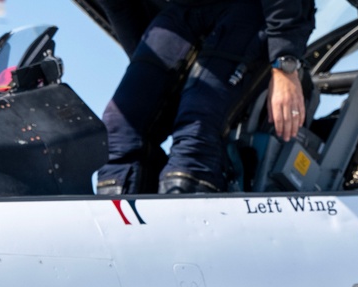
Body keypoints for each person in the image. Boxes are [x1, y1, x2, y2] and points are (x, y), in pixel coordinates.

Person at [96, 0, 315, 196]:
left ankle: (189, 218)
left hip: (252, 10)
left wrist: (285, 62)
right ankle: (120, 222)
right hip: (183, 11)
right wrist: (152, 74)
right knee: (121, 128)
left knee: (197, 123)